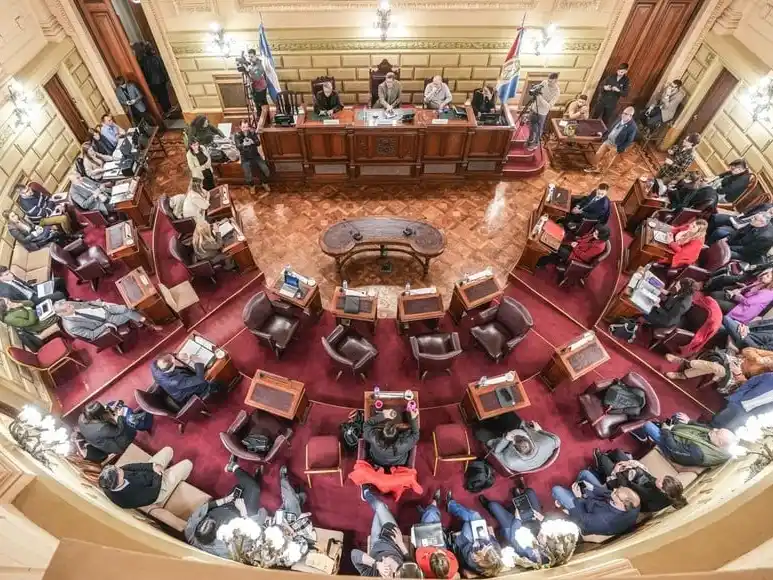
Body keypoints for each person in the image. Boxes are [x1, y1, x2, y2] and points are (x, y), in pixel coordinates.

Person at [593, 449, 687, 513]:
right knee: (617, 453)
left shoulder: (650, 495)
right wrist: (631, 465)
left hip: (625, 489)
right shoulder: (667, 490)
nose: (659, 477)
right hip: (636, 479)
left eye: (661, 481)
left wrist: (618, 472)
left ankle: (600, 464)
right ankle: (606, 462)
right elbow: (648, 476)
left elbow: (626, 488)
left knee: (604, 460)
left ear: (663, 490)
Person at [98, 446, 193, 509]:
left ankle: (166, 470)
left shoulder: (111, 477)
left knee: (168, 450)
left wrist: (153, 466)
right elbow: (152, 494)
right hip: (157, 489)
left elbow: (131, 467)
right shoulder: (127, 498)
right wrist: (158, 473)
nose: (119, 468)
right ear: (118, 480)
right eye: (117, 470)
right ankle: (182, 480)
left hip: (148, 473)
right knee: (187, 464)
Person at [552, 470, 640, 536]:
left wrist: (579, 498)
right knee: (585, 473)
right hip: (597, 503)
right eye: (618, 488)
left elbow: (582, 519)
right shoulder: (634, 505)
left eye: (616, 493)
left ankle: (564, 505)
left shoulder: (604, 521)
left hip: (584, 516)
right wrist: (592, 488)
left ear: (622, 504)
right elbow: (608, 493)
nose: (614, 489)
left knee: (557, 490)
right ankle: (575, 488)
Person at [632, 413, 736, 467]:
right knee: (679, 415)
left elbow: (674, 449)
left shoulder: (699, 454)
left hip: (672, 451)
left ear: (720, 443)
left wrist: (666, 431)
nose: (714, 429)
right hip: (684, 440)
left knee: (647, 425)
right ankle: (665, 426)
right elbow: (705, 428)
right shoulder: (716, 440)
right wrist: (689, 421)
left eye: (717, 432)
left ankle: (643, 437)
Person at [352, 485, 410, 576]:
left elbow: (354, 554)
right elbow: (411, 563)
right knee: (381, 507)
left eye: (391, 574)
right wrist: (401, 544)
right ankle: (370, 496)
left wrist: (377, 564)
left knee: (381, 509)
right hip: (393, 541)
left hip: (376, 544)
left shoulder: (371, 575)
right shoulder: (407, 575)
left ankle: (367, 494)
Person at [478, 489, 547, 565]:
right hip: (534, 521)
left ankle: (488, 506)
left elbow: (513, 538)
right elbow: (548, 526)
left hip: (515, 528)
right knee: (530, 492)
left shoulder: (527, 553)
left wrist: (517, 519)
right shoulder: (552, 546)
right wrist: (542, 519)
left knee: (493, 506)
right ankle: (519, 500)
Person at [445, 492, 504, 577]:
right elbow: (493, 541)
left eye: (485, 549)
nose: (486, 546)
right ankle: (451, 505)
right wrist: (489, 535)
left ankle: (451, 505)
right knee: (474, 515)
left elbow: (465, 547)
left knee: (470, 518)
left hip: (466, 542)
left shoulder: (472, 560)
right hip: (480, 537)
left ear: (482, 559)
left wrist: (476, 543)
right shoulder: (495, 553)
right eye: (488, 548)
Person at [54, 299, 160, 342]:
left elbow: (88, 303)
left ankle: (139, 321)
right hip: (106, 321)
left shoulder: (71, 304)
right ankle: (150, 325)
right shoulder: (72, 326)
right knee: (128, 311)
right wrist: (106, 325)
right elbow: (91, 335)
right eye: (68, 307)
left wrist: (103, 304)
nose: (71, 305)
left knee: (127, 306)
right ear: (63, 313)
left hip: (104, 309)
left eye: (69, 304)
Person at [414, 491, 459, 578]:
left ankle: (432, 505)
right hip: (442, 546)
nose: (438, 550)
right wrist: (442, 551)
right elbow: (450, 553)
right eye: (441, 554)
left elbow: (419, 551)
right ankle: (429, 510)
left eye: (436, 554)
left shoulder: (423, 565)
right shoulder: (453, 567)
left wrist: (430, 550)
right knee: (433, 521)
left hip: (426, 547)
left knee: (430, 516)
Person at [150, 353, 221, 405]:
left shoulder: (154, 364)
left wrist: (177, 355)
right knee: (211, 382)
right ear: (172, 366)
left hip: (175, 386)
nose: (174, 358)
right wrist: (198, 362)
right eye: (174, 360)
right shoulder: (176, 381)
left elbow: (167, 356)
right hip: (186, 395)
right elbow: (200, 379)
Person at [584, 106, 637, 174]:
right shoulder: (619, 118)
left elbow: (629, 141)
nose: (623, 115)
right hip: (608, 141)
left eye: (626, 114)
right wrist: (603, 135)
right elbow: (611, 128)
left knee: (607, 159)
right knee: (598, 154)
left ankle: (601, 171)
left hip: (616, 146)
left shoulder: (632, 127)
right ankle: (593, 166)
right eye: (623, 113)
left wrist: (619, 149)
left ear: (630, 115)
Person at [536, 224, 610, 270]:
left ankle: (540, 263)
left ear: (601, 237)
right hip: (575, 247)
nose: (594, 233)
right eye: (595, 232)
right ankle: (544, 260)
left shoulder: (599, 247)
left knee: (556, 248)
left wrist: (575, 247)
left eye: (596, 233)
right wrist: (577, 241)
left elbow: (585, 257)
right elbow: (583, 238)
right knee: (557, 244)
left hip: (576, 257)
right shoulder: (595, 235)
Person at [2, 210, 72, 251]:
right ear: (8, 219)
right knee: (53, 233)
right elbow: (24, 240)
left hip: (36, 235)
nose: (16, 217)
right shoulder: (12, 229)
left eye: (15, 215)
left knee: (51, 229)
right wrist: (34, 234)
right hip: (33, 242)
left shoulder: (20, 219)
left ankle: (68, 243)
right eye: (12, 216)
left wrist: (37, 227)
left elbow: (32, 226)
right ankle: (68, 244)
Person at [233, 119, 270, 194]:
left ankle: (264, 183)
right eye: (243, 127)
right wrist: (243, 144)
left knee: (265, 170)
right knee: (247, 174)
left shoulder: (252, 133)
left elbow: (258, 143)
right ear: (240, 127)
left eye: (247, 127)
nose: (245, 129)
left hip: (255, 155)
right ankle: (252, 186)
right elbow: (238, 146)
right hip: (245, 157)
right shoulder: (237, 135)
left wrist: (252, 141)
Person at [526, 73, 560, 151]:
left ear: (556, 81)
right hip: (533, 108)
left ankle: (535, 144)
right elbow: (537, 90)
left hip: (542, 113)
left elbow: (549, 106)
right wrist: (535, 89)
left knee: (538, 130)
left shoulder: (557, 92)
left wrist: (540, 97)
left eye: (551, 82)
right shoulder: (544, 82)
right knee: (531, 125)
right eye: (548, 80)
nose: (548, 83)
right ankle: (530, 139)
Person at [708, 203, 773, 243]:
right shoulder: (766, 205)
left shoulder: (770, 224)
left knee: (719, 232)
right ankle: (706, 235)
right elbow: (751, 209)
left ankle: (708, 244)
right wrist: (742, 214)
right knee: (716, 217)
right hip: (740, 219)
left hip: (742, 230)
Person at [0, 266, 67, 305]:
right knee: (60, 295)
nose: (11, 275)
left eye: (10, 272)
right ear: (1, 278)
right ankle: (67, 302)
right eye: (7, 274)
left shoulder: (11, 276)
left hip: (33, 289)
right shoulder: (7, 292)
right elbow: (22, 303)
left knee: (58, 280)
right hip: (31, 299)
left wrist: (35, 286)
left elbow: (24, 284)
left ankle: (66, 296)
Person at [138, 42, 172, 115]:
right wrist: (167, 78)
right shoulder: (156, 57)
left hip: (151, 82)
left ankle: (166, 110)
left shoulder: (143, 60)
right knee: (164, 95)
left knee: (160, 96)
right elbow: (162, 68)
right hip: (160, 79)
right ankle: (168, 109)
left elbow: (143, 71)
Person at [239, 49, 269, 114]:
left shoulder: (259, 65)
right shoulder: (251, 63)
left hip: (261, 88)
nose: (250, 58)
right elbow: (250, 75)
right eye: (249, 56)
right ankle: (263, 116)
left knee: (261, 104)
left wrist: (249, 70)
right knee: (258, 103)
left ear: (255, 56)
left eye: (252, 56)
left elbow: (256, 77)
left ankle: (263, 118)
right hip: (255, 87)